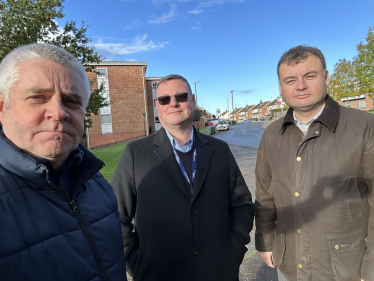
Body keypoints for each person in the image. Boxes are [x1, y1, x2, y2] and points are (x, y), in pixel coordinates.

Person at [0, 44, 127, 281]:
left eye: (71, 101)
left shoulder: (97, 183)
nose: (58, 112)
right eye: (38, 97)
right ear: (2, 107)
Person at [111, 74, 256, 281]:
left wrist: (233, 251)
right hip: (158, 274)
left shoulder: (219, 149)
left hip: (218, 272)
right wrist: (137, 263)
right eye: (164, 99)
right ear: (157, 106)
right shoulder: (135, 153)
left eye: (181, 96)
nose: (173, 103)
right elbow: (115, 217)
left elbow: (243, 204)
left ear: (193, 100)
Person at [255, 45, 374, 281]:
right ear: (281, 88)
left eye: (309, 76)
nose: (300, 86)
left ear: (326, 78)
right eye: (290, 80)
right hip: (289, 265)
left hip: (345, 268)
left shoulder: (364, 127)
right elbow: (265, 194)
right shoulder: (271, 134)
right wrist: (265, 241)